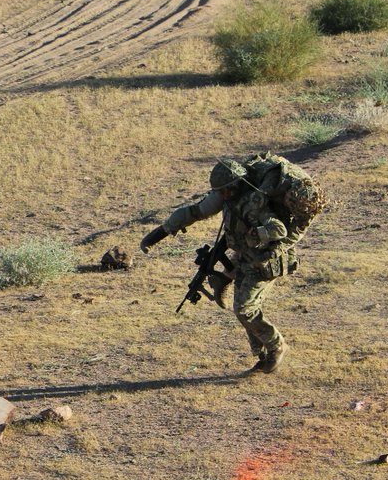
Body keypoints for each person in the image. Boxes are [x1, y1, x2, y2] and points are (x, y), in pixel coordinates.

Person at [139, 154, 325, 374]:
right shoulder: (228, 197)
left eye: (224, 191)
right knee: (242, 308)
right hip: (246, 257)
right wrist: (158, 234)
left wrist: (257, 233)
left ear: (235, 185)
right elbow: (196, 212)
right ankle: (262, 355)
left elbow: (279, 230)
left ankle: (277, 346)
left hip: (265, 260)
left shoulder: (255, 202)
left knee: (245, 309)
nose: (221, 196)